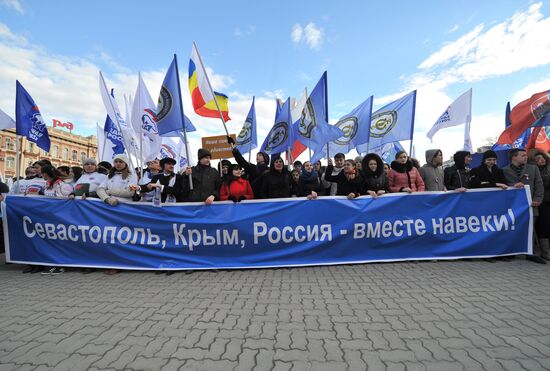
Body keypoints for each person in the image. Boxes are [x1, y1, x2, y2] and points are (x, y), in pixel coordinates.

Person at [503, 148, 545, 264]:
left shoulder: (533, 168)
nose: (526, 157)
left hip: (530, 204)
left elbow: (539, 185)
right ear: (514, 157)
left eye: (526, 155)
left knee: (530, 229)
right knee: (513, 228)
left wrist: (537, 199)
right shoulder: (504, 170)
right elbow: (503, 186)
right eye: (523, 155)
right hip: (513, 206)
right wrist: (513, 185)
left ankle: (531, 253)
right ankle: (511, 251)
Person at [533, 152, 550, 260]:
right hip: (543, 202)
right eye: (538, 158)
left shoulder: (548, 169)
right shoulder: (534, 171)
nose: (542, 159)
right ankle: (545, 251)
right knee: (544, 226)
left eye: (542, 157)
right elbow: (540, 185)